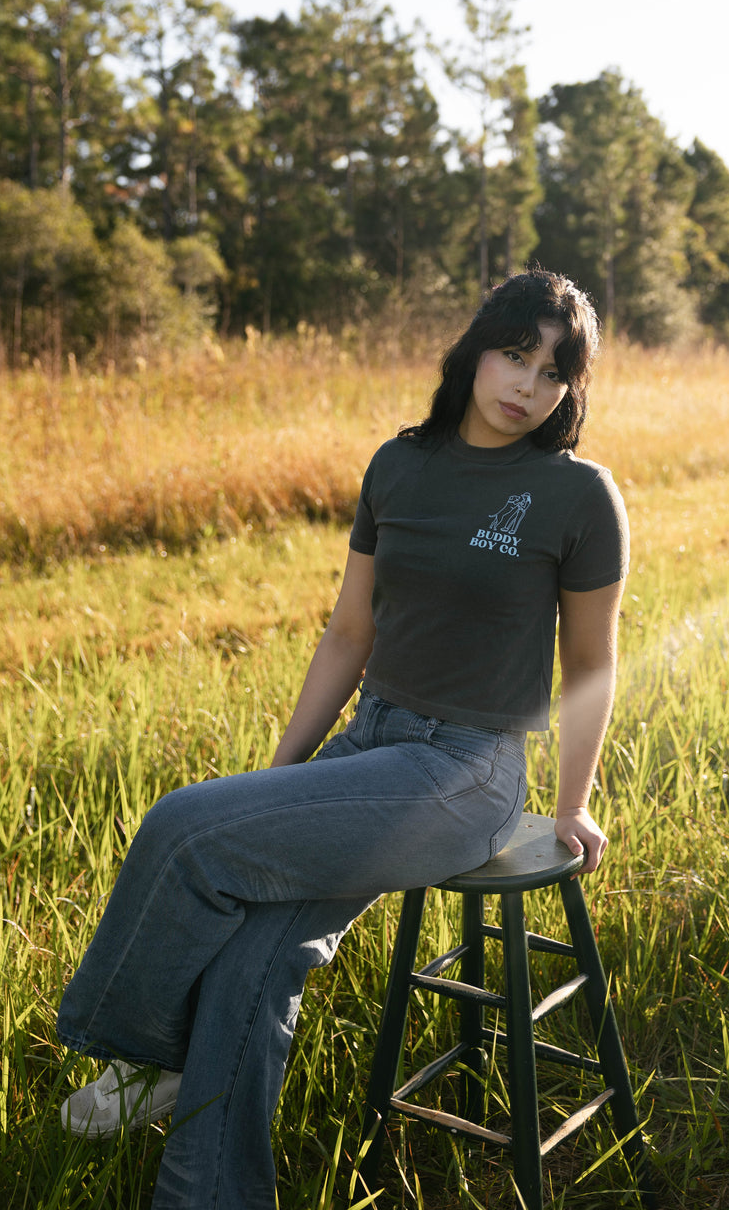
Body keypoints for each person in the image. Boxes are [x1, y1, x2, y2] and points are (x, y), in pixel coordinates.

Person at [56, 267, 629, 1210]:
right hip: (371, 747)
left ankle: (140, 1055)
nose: (526, 385)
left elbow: (591, 665)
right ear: (475, 349)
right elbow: (349, 634)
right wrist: (282, 780)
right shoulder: (398, 464)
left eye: (554, 372)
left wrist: (571, 804)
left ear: (573, 389)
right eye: (514, 355)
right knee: (253, 958)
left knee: (179, 828)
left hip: (465, 772)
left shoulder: (577, 495)